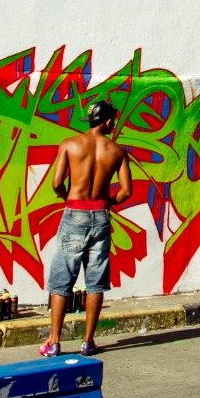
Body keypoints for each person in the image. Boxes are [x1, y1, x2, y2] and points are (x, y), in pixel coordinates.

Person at [41, 99, 132, 357]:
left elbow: (57, 182)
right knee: (96, 281)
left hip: (74, 212)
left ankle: (54, 341)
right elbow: (126, 191)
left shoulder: (69, 144)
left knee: (62, 280)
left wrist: (67, 198)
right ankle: (88, 341)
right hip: (100, 214)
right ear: (108, 121)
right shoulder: (116, 151)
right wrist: (108, 203)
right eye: (113, 119)